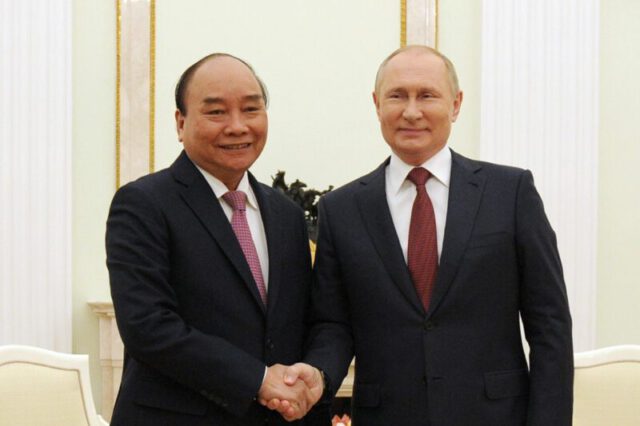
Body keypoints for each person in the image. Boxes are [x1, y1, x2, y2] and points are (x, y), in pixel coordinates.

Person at [280, 45, 574, 425]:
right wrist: (319, 374)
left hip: (495, 415)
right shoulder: (341, 209)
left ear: (456, 104)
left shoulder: (510, 193)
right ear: (377, 104)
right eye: (397, 96)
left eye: (427, 95)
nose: (411, 111)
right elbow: (333, 324)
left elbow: (549, 324)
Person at [106, 53, 326, 425]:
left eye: (251, 109)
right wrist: (257, 380)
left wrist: (310, 375)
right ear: (181, 123)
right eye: (216, 112)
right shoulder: (143, 203)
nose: (237, 126)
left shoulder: (286, 215)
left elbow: (300, 322)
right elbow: (148, 326)